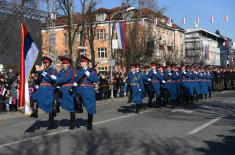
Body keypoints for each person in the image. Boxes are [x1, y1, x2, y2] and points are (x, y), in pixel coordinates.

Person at [49, 56, 76, 130]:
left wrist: (56, 78)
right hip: (61, 89)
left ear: (68, 64)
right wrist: (53, 80)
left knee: (71, 107)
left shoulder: (71, 71)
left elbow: (65, 79)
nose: (63, 64)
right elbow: (58, 78)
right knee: (53, 99)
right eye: (63, 63)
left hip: (68, 89)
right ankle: (54, 112)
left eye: (65, 63)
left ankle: (72, 122)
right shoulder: (61, 71)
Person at [31, 56, 57, 130]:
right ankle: (34, 111)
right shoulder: (41, 71)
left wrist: (47, 74)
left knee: (49, 107)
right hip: (41, 88)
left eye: (46, 63)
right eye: (44, 63)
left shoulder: (53, 70)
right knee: (33, 96)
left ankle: (51, 124)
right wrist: (35, 77)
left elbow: (53, 80)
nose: (45, 64)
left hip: (49, 89)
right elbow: (38, 81)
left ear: (49, 63)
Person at [74, 55, 99, 130]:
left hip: (88, 90)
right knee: (76, 100)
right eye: (81, 62)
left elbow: (96, 80)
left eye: (82, 62)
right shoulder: (80, 71)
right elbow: (77, 78)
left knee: (90, 107)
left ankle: (89, 124)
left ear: (86, 62)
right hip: (80, 89)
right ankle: (79, 109)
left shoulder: (92, 71)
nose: (81, 63)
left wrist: (89, 76)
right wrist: (75, 82)